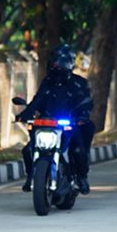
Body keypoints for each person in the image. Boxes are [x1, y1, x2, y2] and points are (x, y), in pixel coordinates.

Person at [16, 43, 95, 194]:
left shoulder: (79, 83)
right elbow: (37, 101)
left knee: (78, 150)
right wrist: (24, 115)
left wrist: (82, 115)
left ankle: (81, 177)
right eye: (56, 60)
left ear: (70, 63)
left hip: (69, 124)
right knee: (28, 150)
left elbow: (86, 102)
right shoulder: (47, 82)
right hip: (46, 124)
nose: (58, 64)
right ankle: (31, 176)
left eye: (63, 61)